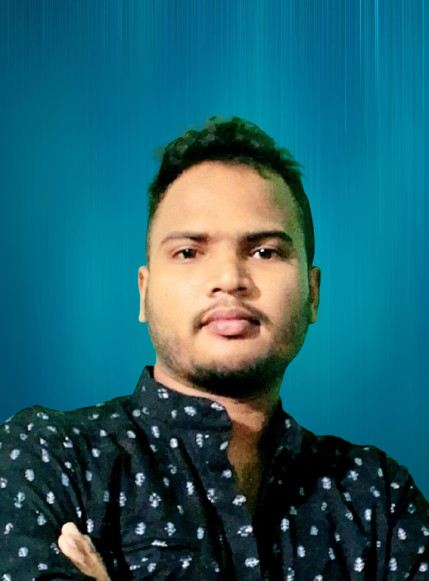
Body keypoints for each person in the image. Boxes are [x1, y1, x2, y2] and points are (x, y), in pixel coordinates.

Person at [0, 116, 428, 581]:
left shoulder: (377, 498)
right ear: (144, 292)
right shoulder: (49, 457)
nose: (229, 279)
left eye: (265, 251)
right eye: (189, 252)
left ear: (313, 294)